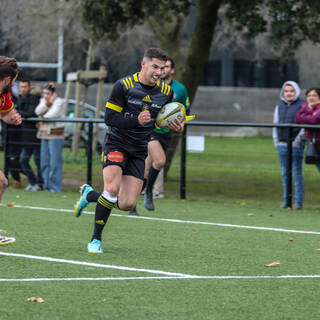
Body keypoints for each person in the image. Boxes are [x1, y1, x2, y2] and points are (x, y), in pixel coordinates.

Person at [74, 48, 184, 253]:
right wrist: (135, 120)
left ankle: (90, 195)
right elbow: (109, 119)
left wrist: (174, 124)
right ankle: (95, 240)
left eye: (162, 69)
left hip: (139, 150)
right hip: (116, 143)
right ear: (143, 64)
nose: (158, 72)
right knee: (112, 190)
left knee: (126, 204)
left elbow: (162, 119)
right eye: (155, 67)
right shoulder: (123, 86)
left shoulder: (166, 92)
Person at [129, 57, 190, 215]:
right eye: (161, 68)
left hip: (166, 134)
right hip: (150, 131)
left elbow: (184, 112)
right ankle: (148, 193)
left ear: (172, 70)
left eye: (166, 67)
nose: (163, 70)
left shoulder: (180, 89)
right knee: (161, 160)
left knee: (146, 171)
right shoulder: (154, 88)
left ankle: (132, 204)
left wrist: (180, 124)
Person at [272, 81, 305, 210]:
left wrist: (297, 141)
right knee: (285, 173)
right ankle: (286, 200)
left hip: (296, 145)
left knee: (296, 173)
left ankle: (298, 202)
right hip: (281, 144)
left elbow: (304, 126)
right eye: (286, 91)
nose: (289, 93)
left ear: (296, 91)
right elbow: (275, 124)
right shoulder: (279, 106)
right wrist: (276, 141)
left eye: (291, 91)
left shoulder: (302, 105)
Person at [0, 56, 22, 245]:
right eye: (14, 80)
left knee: (0, 182)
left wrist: (11, 118)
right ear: (8, 79)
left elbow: (5, 114)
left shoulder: (4, 94)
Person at [35, 83, 65, 192]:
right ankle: (48, 186)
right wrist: (48, 103)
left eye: (48, 94)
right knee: (44, 162)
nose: (45, 96)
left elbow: (50, 115)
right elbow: (37, 111)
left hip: (55, 135)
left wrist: (42, 115)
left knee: (54, 163)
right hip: (44, 134)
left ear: (53, 94)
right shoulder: (44, 101)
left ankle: (55, 188)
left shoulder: (59, 102)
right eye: (44, 93)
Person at [16, 80, 43, 191]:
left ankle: (39, 184)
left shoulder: (34, 98)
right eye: (21, 87)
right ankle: (32, 182)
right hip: (25, 137)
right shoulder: (19, 99)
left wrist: (18, 112)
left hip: (35, 137)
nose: (23, 89)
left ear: (29, 87)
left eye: (25, 86)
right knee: (23, 160)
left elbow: (31, 113)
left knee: (38, 162)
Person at [295, 87, 320, 172]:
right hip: (314, 145)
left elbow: (315, 120)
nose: (311, 98)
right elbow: (297, 118)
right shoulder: (306, 106)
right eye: (309, 95)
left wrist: (307, 114)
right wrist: (311, 113)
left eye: (314, 95)